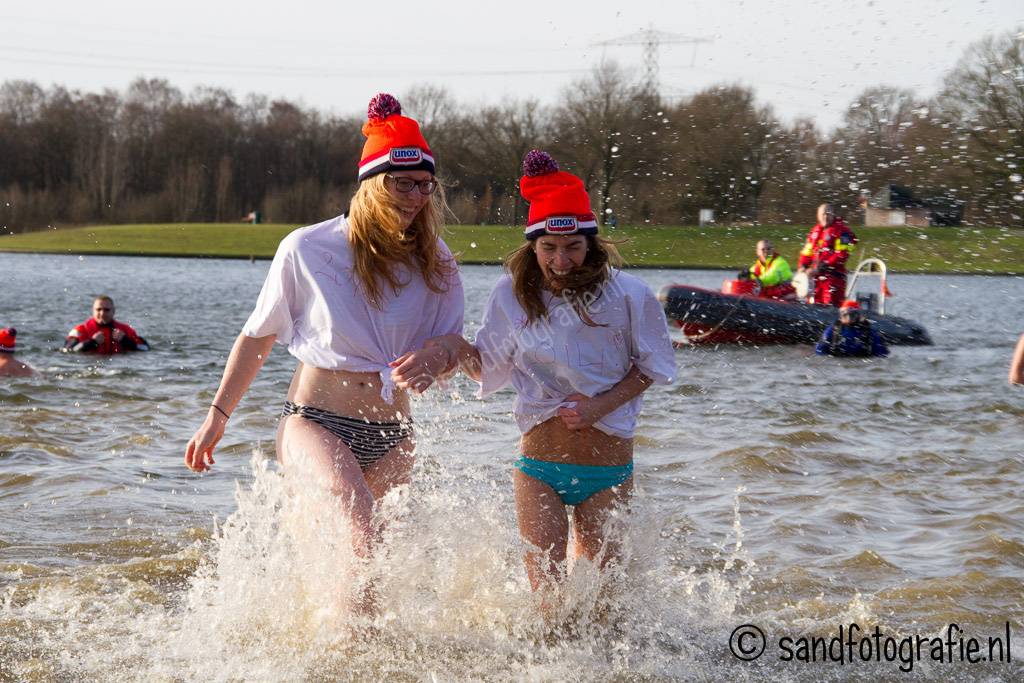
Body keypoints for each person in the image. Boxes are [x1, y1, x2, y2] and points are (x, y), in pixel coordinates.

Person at [183, 94, 463, 596]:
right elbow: (258, 336)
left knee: (371, 559)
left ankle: (354, 652)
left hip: (393, 434)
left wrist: (434, 356)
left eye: (425, 185)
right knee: (359, 523)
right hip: (315, 422)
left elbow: (453, 344)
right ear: (373, 185)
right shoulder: (307, 248)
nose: (417, 196)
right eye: (403, 184)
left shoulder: (436, 260)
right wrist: (217, 416)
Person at [424, 150, 676, 605]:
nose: (561, 260)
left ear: (592, 245)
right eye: (549, 248)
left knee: (603, 608)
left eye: (573, 247)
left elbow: (653, 368)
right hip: (538, 467)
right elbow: (489, 367)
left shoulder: (628, 295)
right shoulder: (510, 295)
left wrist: (600, 405)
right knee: (549, 602)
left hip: (607, 469)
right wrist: (452, 349)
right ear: (532, 246)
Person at [797, 203, 858, 306]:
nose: (825, 216)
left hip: (833, 278)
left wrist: (822, 266)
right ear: (818, 216)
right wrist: (803, 266)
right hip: (815, 279)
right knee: (813, 306)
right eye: (822, 214)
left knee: (830, 306)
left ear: (833, 214)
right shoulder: (815, 232)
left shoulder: (842, 231)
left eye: (828, 214)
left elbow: (842, 255)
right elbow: (807, 252)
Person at [63, 296, 149, 354]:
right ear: (93, 311)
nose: (102, 313)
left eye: (106, 310)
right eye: (98, 309)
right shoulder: (80, 330)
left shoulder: (126, 330)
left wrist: (126, 341)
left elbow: (145, 349)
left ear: (113, 311)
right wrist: (92, 342)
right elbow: (67, 351)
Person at [815, 300, 888, 357]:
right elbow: (820, 351)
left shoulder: (869, 332)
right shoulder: (833, 330)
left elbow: (881, 355)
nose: (849, 318)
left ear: (858, 315)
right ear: (841, 315)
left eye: (852, 315)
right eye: (845, 315)